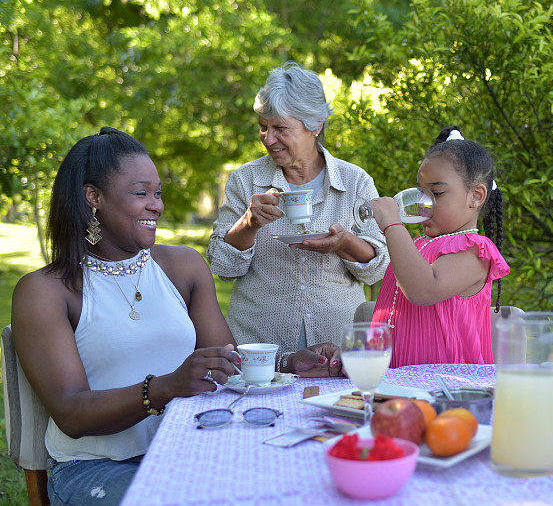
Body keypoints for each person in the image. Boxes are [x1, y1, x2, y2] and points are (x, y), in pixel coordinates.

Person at [10, 128, 342, 506]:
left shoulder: (182, 266)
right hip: (98, 467)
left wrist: (288, 362)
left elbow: (225, 358)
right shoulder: (46, 291)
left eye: (158, 193)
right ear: (93, 197)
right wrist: (165, 387)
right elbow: (71, 412)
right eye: (141, 193)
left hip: (193, 446)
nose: (156, 205)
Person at [207, 61, 389, 363]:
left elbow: (378, 268)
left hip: (338, 352)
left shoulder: (355, 181)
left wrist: (344, 243)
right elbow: (223, 268)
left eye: (280, 128)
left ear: (315, 125)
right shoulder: (245, 180)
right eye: (263, 127)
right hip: (260, 351)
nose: (268, 138)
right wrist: (249, 224)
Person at [368, 126, 510, 367]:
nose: (424, 204)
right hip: (393, 384)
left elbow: (423, 289)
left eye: (437, 193)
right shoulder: (416, 245)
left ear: (476, 196)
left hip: (446, 389)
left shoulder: (476, 250)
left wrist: (393, 224)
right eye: (421, 193)